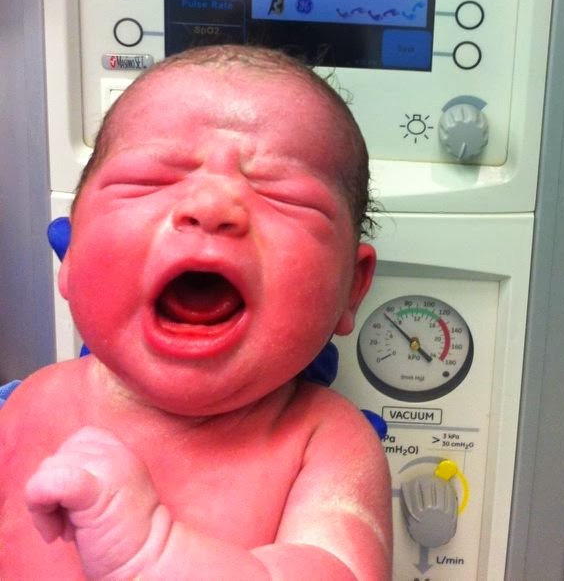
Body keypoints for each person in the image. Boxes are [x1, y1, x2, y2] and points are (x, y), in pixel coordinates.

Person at [0, 44, 392, 580]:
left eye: (285, 195)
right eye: (148, 180)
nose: (211, 207)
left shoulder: (323, 442)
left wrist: (152, 554)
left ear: (352, 288)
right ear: (71, 256)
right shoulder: (30, 404)